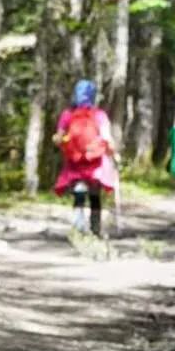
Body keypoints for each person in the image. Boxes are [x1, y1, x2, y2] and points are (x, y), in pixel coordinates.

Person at [54, 79, 118, 237]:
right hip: (95, 162)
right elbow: (107, 138)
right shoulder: (99, 115)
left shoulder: (67, 115)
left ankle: (78, 228)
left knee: (78, 193)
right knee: (95, 195)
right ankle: (95, 228)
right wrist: (113, 152)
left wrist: (65, 144)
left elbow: (58, 138)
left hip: (75, 161)